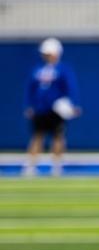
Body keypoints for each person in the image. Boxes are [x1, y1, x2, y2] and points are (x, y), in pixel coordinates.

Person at [23, 38, 81, 178]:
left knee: (58, 137)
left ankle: (56, 167)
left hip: (57, 110)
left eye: (49, 53)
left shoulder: (63, 70)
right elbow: (30, 88)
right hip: (40, 109)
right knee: (37, 137)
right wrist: (29, 105)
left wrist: (73, 105)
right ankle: (31, 166)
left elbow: (71, 88)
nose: (46, 56)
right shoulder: (37, 69)